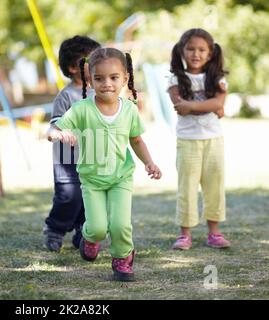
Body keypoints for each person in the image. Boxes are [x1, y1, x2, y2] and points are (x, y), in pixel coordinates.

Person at [47, 47, 162, 282]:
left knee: (120, 225)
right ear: (90, 80)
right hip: (92, 179)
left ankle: (122, 258)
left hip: (121, 177)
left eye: (113, 78)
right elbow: (52, 129)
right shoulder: (81, 109)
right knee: (98, 227)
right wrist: (58, 135)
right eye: (98, 78)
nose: (106, 83)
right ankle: (90, 238)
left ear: (125, 79)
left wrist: (149, 162)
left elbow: (136, 140)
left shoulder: (129, 109)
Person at [167, 28, 230, 250]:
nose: (196, 53)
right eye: (190, 48)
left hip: (214, 140)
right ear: (182, 51)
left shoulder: (217, 77)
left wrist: (193, 105)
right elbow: (180, 107)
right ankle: (185, 234)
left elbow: (218, 104)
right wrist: (208, 106)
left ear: (210, 53)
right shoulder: (175, 78)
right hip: (188, 141)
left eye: (202, 49)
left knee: (215, 185)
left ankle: (214, 232)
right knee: (187, 186)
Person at [43, 35, 101, 252]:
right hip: (68, 159)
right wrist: (62, 132)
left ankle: (83, 233)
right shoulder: (66, 95)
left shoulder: (102, 90)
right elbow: (55, 124)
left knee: (90, 199)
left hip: (94, 156)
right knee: (69, 197)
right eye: (90, 59)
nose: (96, 64)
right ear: (72, 67)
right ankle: (55, 229)